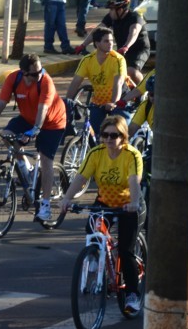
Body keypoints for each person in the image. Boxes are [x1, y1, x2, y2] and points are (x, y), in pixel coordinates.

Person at [59, 116, 143, 312]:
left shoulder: (132, 155)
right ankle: (97, 263)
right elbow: (80, 177)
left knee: (125, 250)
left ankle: (132, 294)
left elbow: (133, 181)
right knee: (92, 232)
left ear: (123, 137)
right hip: (104, 203)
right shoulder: (96, 153)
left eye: (114, 135)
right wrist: (67, 199)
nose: (109, 139)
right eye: (105, 135)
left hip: (128, 205)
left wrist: (134, 203)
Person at [0, 53, 67, 222]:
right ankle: (26, 168)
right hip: (28, 118)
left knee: (45, 160)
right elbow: (1, 102)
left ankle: (45, 205)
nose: (39, 74)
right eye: (35, 73)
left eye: (41, 70)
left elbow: (43, 110)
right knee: (6, 136)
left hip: (52, 122)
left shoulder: (45, 82)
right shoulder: (14, 79)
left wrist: (35, 129)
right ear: (24, 73)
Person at [73, 0, 150, 84]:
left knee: (131, 71)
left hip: (139, 50)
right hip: (122, 49)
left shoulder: (135, 17)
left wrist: (126, 46)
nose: (110, 12)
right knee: (113, 71)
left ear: (120, 9)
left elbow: (134, 32)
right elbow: (97, 31)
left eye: (112, 9)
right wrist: (83, 45)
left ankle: (144, 91)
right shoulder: (111, 17)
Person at [66, 27, 128, 135]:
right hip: (99, 102)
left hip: (120, 100)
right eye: (106, 41)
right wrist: (67, 102)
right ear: (97, 43)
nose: (111, 44)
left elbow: (118, 83)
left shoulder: (118, 59)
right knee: (93, 133)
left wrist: (113, 103)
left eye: (112, 40)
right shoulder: (87, 60)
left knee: (119, 133)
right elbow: (75, 83)